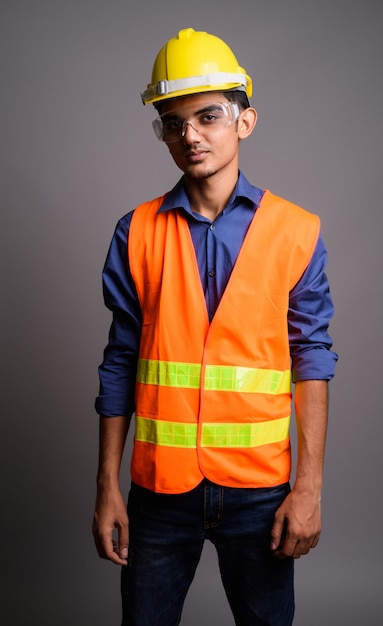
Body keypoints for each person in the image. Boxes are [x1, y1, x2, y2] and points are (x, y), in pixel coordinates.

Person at [92, 27, 338, 626]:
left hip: (260, 494)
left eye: (207, 116)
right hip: (158, 492)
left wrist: (309, 487)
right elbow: (120, 359)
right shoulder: (137, 232)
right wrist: (107, 484)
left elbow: (314, 359)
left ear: (244, 121)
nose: (190, 135)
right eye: (172, 123)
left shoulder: (296, 232)